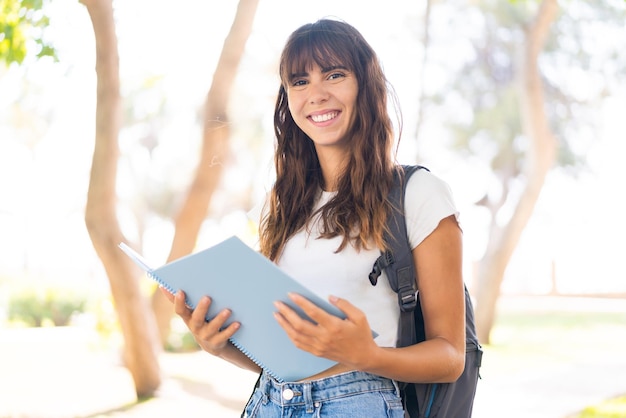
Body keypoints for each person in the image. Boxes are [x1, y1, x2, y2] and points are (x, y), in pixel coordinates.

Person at [164, 18, 466, 417]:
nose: (316, 95)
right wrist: (219, 346)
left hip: (362, 403)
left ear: (365, 84)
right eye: (300, 82)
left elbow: (450, 357)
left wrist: (367, 354)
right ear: (287, 97)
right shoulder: (279, 204)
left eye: (335, 75)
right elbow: (284, 357)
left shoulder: (417, 194)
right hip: (270, 403)